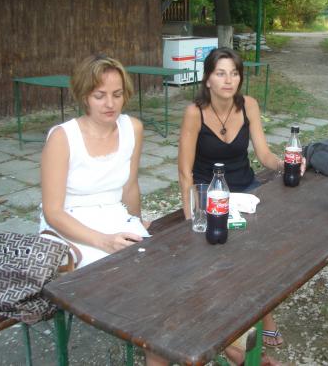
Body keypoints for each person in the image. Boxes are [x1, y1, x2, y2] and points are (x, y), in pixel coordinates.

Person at [38, 54, 165, 366]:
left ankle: (164, 344)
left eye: (117, 94)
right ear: (84, 96)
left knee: (161, 276)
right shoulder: (63, 137)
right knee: (133, 288)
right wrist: (103, 240)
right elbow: (53, 212)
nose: (110, 104)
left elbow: (130, 186)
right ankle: (160, 344)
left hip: (113, 215)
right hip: (69, 225)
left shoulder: (133, 128)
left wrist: (137, 222)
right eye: (100, 95)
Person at [178, 47, 303, 349]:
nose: (228, 80)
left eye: (234, 73)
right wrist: (191, 217)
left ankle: (258, 315)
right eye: (220, 73)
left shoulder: (249, 105)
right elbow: (184, 171)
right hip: (210, 194)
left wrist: (286, 164)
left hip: (246, 189)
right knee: (217, 253)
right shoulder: (195, 112)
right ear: (207, 79)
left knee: (261, 251)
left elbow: (263, 154)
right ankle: (232, 320)